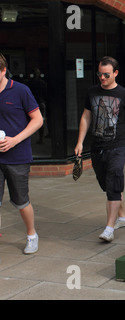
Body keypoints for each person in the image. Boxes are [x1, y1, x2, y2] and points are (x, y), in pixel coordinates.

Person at [74, 56, 125, 242]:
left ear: (116, 73)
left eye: (106, 74)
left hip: (117, 147)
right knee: (107, 185)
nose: (102, 78)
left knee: (114, 183)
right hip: (97, 147)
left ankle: (109, 228)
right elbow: (86, 117)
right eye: (99, 74)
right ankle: (123, 216)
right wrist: (80, 141)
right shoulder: (92, 92)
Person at [0, 53, 43, 254]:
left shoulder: (20, 90)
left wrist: (15, 139)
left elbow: (37, 120)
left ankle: (32, 235)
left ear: (3, 70)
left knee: (21, 200)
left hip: (17, 156)